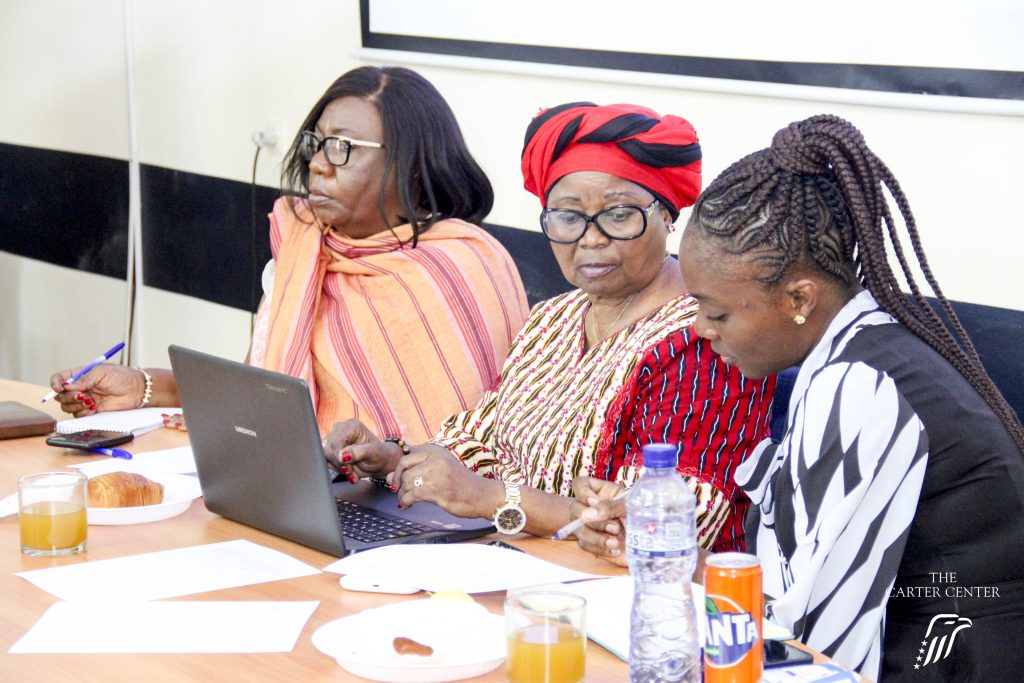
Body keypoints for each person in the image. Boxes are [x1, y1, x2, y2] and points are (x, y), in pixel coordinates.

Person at [572, 115, 1024, 681]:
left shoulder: (859, 386)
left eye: (716, 312)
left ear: (799, 299)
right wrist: (666, 552)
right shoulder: (853, 354)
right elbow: (795, 587)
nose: (700, 329)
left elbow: (809, 641)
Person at [323, 102, 774, 550]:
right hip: (521, 561)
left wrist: (489, 498)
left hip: (635, 586)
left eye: (619, 214)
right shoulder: (552, 319)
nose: (591, 238)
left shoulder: (705, 341)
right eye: (568, 217)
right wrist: (395, 461)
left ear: (667, 215)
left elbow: (663, 525)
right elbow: (480, 442)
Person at [47, 66, 529, 443]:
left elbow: (472, 451)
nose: (318, 164)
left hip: (425, 517)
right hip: (306, 492)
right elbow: (262, 394)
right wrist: (143, 387)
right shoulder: (305, 245)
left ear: (413, 165)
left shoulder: (463, 265)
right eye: (317, 143)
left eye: (343, 147)